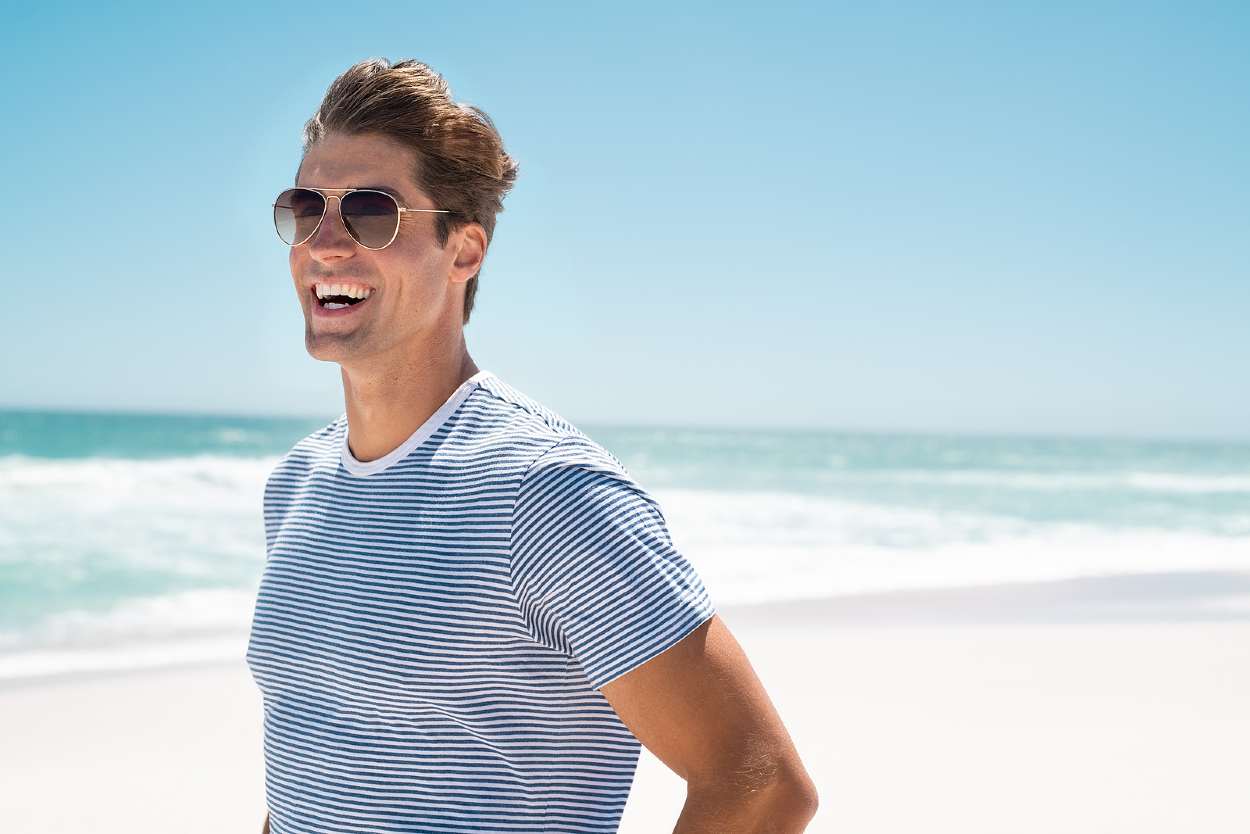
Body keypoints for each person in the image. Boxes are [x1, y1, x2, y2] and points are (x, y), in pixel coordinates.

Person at [245, 57, 818, 834]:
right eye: (305, 208)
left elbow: (759, 784)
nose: (327, 242)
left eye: (372, 213)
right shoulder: (298, 484)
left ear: (464, 252)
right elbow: (312, 771)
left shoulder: (546, 493)